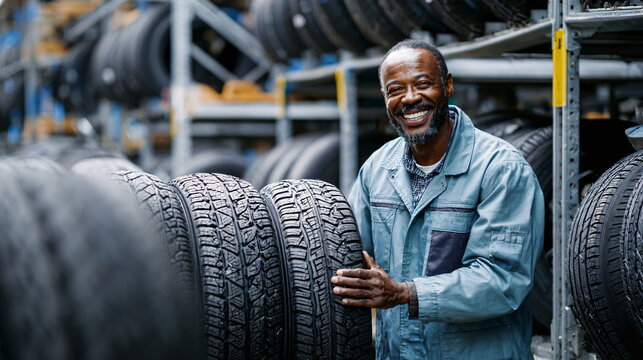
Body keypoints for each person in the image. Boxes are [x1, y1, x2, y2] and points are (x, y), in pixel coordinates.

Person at [331, 39, 545, 359]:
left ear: (447, 85)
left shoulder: (500, 169)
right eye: (395, 90)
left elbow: (502, 280)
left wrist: (404, 294)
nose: (410, 98)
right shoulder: (377, 169)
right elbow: (348, 255)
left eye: (422, 84)